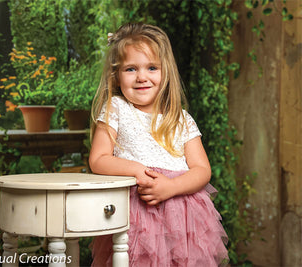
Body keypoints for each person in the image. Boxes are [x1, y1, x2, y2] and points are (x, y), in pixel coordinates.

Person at [89, 22, 228, 267]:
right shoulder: (116, 110)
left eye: (152, 67)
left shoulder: (181, 119)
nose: (142, 77)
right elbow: (98, 159)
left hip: (184, 220)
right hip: (136, 215)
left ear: (165, 72)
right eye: (131, 69)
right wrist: (136, 170)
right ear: (116, 74)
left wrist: (171, 187)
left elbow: (202, 170)